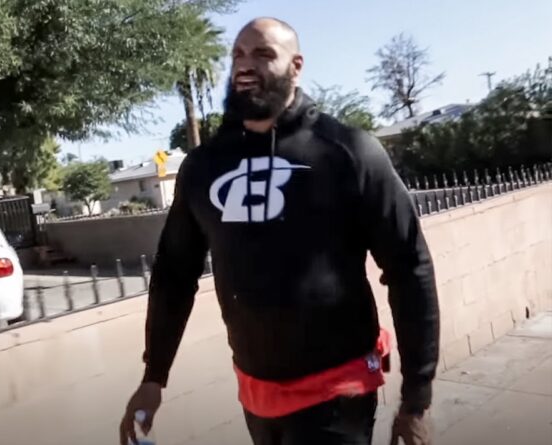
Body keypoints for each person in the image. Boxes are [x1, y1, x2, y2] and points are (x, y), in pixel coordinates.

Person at [119, 17, 440, 445]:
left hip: (338, 390)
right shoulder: (204, 167)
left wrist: (416, 398)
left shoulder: (348, 152)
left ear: (296, 66)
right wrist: (153, 376)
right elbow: (174, 274)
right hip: (256, 395)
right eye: (238, 54)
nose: (245, 65)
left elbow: (409, 267)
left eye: (263, 54)